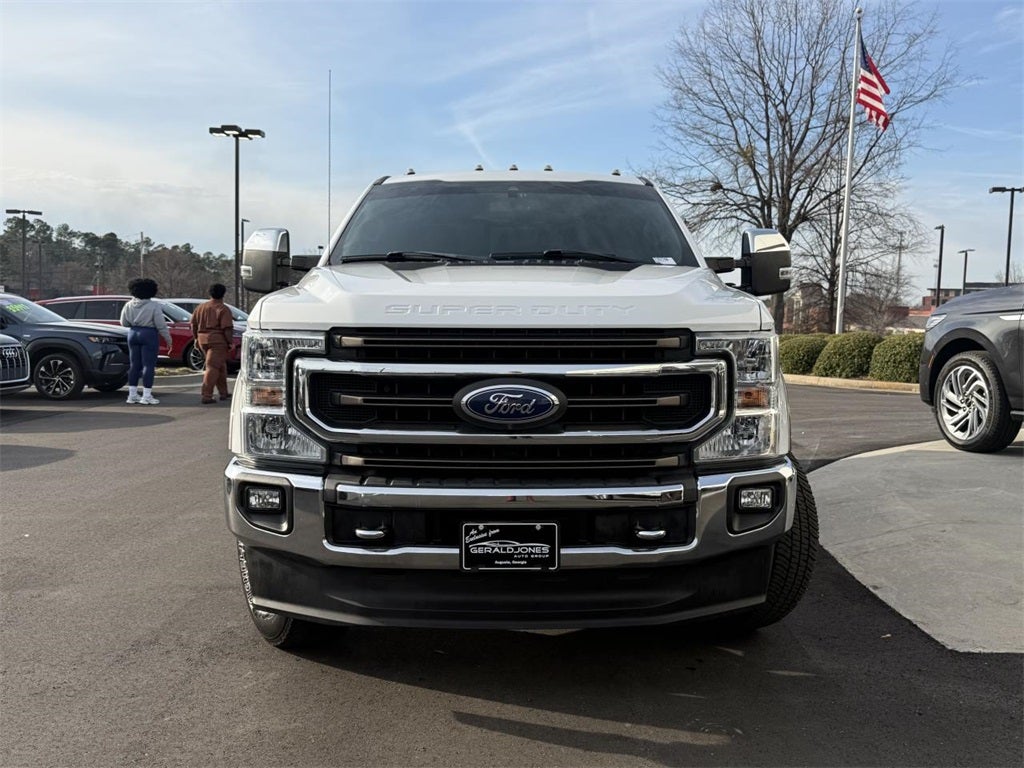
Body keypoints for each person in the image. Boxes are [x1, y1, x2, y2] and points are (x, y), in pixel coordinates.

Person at [120, 277, 172, 405]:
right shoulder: (153, 305)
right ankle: (146, 395)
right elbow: (161, 325)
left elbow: (123, 322)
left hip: (132, 333)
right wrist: (168, 339)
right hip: (149, 334)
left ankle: (132, 395)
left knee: (134, 365)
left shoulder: (129, 304)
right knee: (148, 365)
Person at [189, 283, 234, 404]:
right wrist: (230, 342)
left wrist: (195, 339)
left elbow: (193, 324)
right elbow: (227, 328)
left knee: (220, 366)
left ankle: (223, 392)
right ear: (223, 294)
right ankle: (206, 395)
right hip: (218, 341)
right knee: (213, 366)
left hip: (203, 339)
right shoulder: (223, 309)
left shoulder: (201, 307)